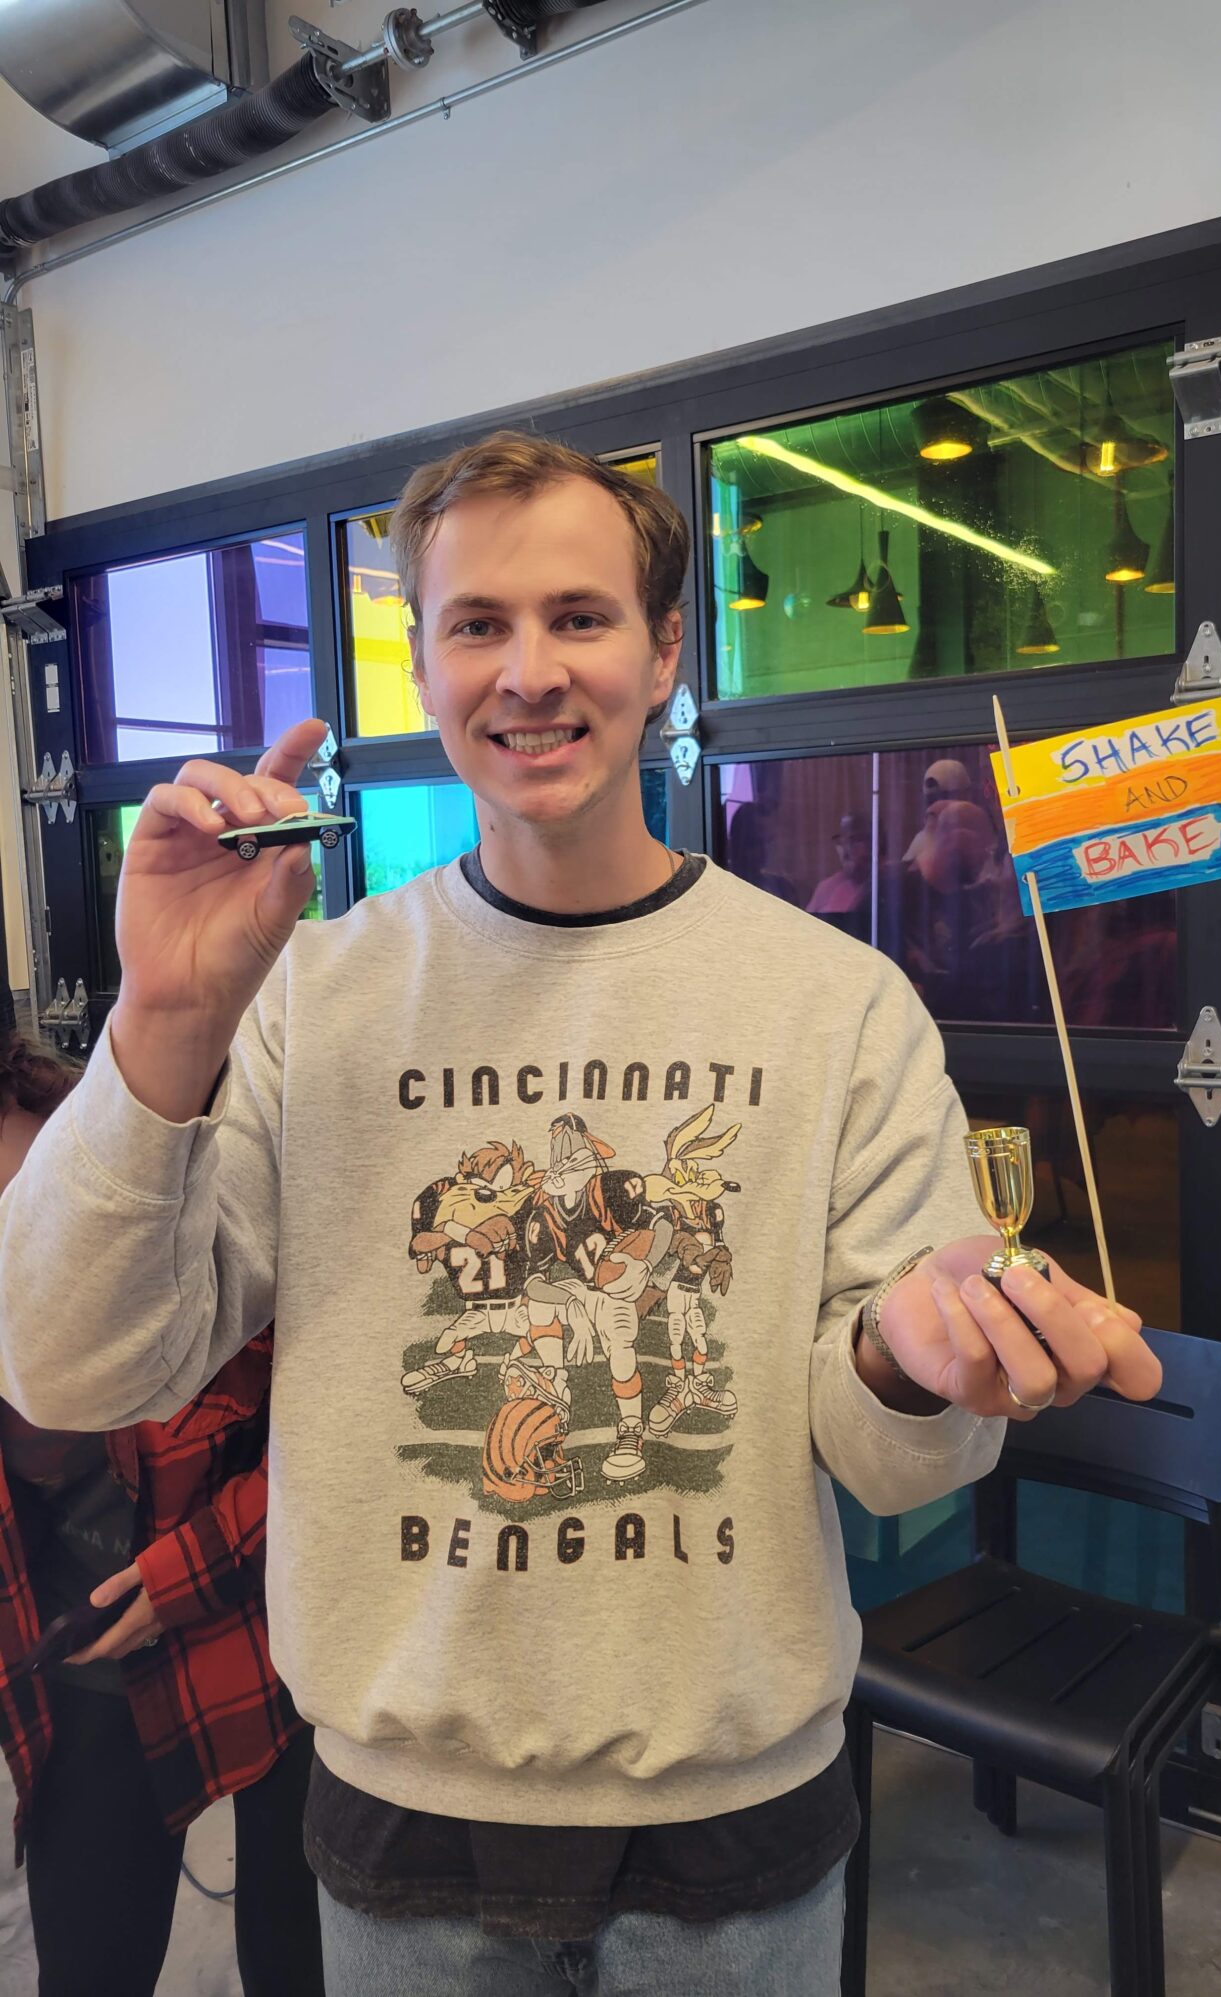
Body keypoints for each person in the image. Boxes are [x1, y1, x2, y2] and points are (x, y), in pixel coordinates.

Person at [0, 432, 1160, 1996]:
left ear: (666, 649)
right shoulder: (314, 1000)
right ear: (422, 659)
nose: (527, 671)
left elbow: (892, 1452)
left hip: (735, 1824)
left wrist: (903, 1361)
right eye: (477, 623)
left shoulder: (834, 1003)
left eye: (580, 616)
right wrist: (160, 1024)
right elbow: (71, 1370)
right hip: (402, 1819)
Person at [0, 1023, 323, 1997]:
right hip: (75, 1672)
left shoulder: (177, 1195)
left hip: (254, 1650)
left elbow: (322, 1449)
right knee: (91, 1960)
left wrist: (182, 1577)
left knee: (297, 1953)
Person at [806, 812, 875, 940]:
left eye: (854, 839)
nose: (845, 848)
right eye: (840, 840)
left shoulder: (886, 888)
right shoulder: (826, 887)